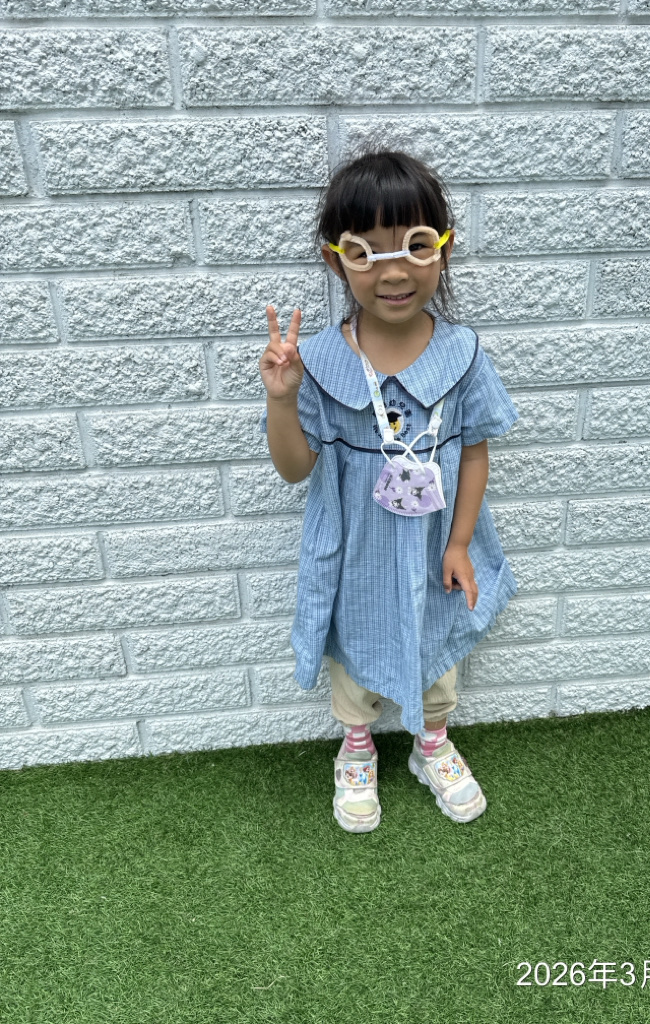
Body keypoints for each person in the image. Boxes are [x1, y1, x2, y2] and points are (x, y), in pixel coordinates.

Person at [258, 149, 519, 833]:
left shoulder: (462, 354)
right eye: (365, 252)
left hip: (436, 546)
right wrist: (282, 400)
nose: (394, 271)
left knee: (438, 651)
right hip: (356, 554)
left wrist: (460, 543)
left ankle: (431, 743)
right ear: (335, 260)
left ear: (444, 248)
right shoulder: (320, 362)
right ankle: (357, 747)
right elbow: (295, 468)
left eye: (415, 245)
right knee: (355, 659)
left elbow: (475, 452)